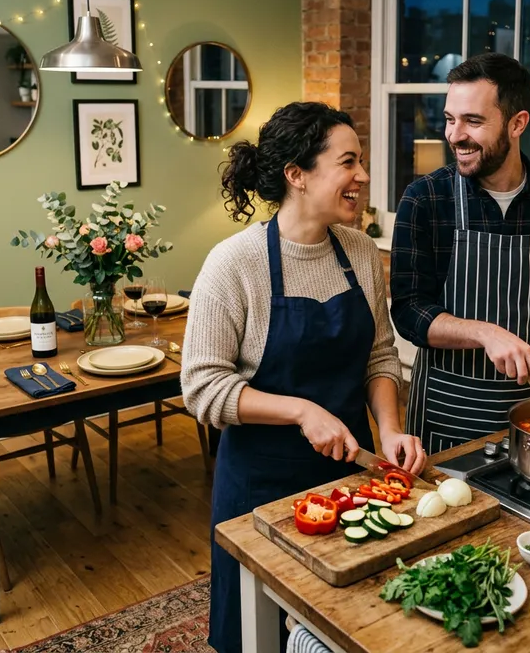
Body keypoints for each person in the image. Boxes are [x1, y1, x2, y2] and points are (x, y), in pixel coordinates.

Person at [181, 101, 426, 653]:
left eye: (361, 161)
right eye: (348, 162)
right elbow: (201, 388)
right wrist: (300, 410)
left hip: (353, 480)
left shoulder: (361, 252)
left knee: (347, 626)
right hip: (261, 488)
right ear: (297, 175)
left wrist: (389, 431)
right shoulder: (234, 263)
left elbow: (380, 356)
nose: (362, 176)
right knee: (257, 630)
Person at [390, 53, 530, 455]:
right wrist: (484, 333)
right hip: (444, 420)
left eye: (473, 121)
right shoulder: (426, 198)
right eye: (450, 119)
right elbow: (409, 313)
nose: (454, 135)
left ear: (517, 123)